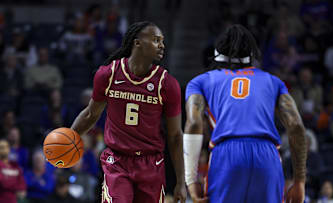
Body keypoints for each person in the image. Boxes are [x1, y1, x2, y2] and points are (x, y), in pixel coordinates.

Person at [184, 24, 307, 203]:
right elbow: (296, 125)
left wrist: (191, 179)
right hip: (267, 155)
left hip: (227, 154)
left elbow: (194, 124)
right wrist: (299, 181)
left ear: (217, 53)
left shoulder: (201, 81)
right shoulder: (273, 81)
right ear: (252, 55)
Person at [71, 21, 186, 203]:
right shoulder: (108, 74)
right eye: (156, 40)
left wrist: (181, 181)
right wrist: (70, 138)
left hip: (151, 163)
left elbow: (175, 136)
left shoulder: (167, 84)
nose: (162, 45)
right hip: (117, 160)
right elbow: (90, 114)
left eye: (162, 41)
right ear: (137, 42)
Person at [0, 139, 27, 203]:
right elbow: (3, 184)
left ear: (9, 149)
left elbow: (22, 191)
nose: (4, 150)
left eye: (6, 147)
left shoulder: (15, 166)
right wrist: (14, 186)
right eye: (1, 147)